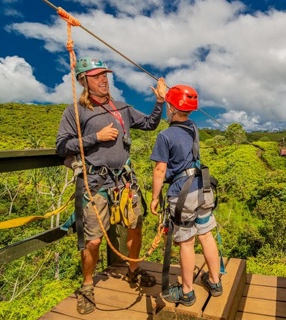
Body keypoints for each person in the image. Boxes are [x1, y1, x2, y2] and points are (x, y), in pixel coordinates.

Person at [56, 57, 166, 314]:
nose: (103, 79)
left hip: (124, 182)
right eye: (96, 76)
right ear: (83, 81)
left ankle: (133, 270)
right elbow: (62, 146)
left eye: (104, 75)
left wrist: (160, 101)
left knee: (134, 227)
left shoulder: (122, 107)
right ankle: (87, 284)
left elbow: (150, 124)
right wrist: (96, 137)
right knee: (93, 241)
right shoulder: (76, 111)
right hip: (96, 183)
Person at [150, 85, 223, 306]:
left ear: (170, 108)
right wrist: (169, 98)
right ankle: (214, 281)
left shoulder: (165, 136)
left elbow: (160, 170)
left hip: (182, 194)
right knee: (206, 235)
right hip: (202, 187)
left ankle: (187, 291)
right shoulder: (193, 127)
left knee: (187, 242)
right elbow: (180, 117)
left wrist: (155, 198)